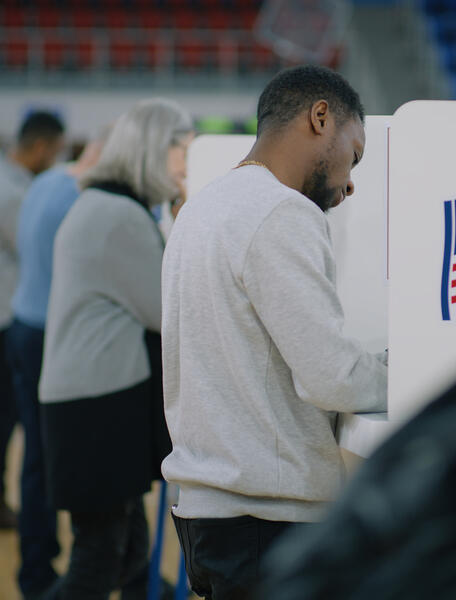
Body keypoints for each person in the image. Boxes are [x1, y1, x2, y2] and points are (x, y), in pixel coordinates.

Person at [161, 64, 388, 599]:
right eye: (353, 154)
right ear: (320, 117)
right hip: (264, 520)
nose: (351, 181)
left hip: (211, 511)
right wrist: (411, 372)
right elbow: (331, 376)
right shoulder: (281, 210)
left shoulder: (203, 208)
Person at [38, 99, 193, 599]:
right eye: (181, 155)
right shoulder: (118, 217)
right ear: (153, 150)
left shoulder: (104, 205)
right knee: (99, 561)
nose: (186, 168)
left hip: (90, 399)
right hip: (97, 405)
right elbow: (167, 311)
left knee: (124, 553)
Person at [7, 127, 109, 600]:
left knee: (36, 457)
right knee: (53, 461)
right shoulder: (81, 198)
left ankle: (34, 568)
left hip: (23, 324)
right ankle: (43, 574)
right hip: (50, 334)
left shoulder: (45, 181)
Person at [0, 111, 64, 532]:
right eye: (56, 152)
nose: (56, 161)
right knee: (9, 411)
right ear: (39, 146)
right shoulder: (7, 195)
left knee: (4, 408)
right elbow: (37, 247)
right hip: (6, 314)